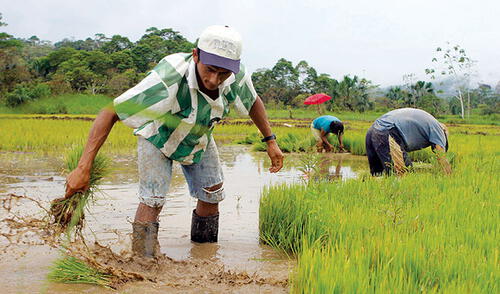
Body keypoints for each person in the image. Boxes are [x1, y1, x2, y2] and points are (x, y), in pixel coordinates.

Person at [64, 25, 284, 257]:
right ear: (196, 55)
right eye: (209, 70)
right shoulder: (167, 78)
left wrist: (270, 141)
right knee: (153, 199)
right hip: (157, 136)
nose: (213, 80)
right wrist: (83, 167)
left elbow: (253, 101)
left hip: (199, 135)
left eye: (223, 74)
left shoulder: (237, 76)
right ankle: (143, 262)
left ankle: (204, 258)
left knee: (212, 194)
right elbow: (110, 112)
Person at [365, 108, 451, 176]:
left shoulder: (429, 122)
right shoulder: (438, 130)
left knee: (378, 175)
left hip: (373, 129)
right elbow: (441, 157)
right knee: (405, 174)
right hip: (388, 131)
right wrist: (450, 177)